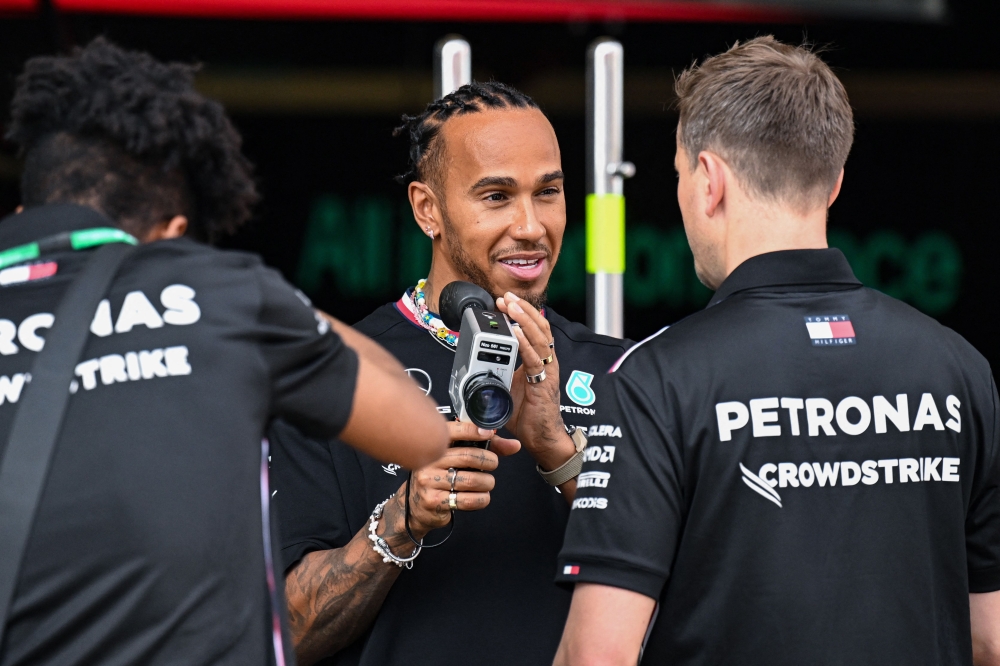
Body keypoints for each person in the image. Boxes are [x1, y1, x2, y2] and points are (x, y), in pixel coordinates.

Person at [552, 35, 1000, 666]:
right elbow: (989, 638)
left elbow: (595, 656)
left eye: (679, 175)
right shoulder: (958, 369)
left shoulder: (655, 379)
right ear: (835, 181)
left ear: (708, 180)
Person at [0, 39, 447, 666]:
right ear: (174, 236)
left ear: (24, 208)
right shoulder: (217, 296)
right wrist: (247, 295)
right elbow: (420, 431)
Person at [269, 81, 632, 666]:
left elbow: (691, 599)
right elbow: (286, 632)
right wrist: (400, 522)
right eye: (496, 196)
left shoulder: (625, 371)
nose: (531, 226)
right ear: (427, 210)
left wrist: (560, 457)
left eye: (549, 192)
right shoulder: (331, 373)